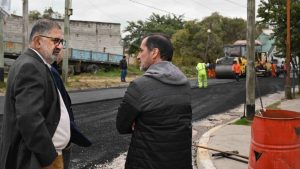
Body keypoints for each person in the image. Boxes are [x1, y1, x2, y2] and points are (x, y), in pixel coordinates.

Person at [116, 34, 192, 169]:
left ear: (155, 53)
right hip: (180, 162)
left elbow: (121, 126)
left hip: (146, 162)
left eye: (141, 50)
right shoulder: (185, 83)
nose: (138, 56)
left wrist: (138, 123)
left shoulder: (139, 86)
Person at [1, 19, 68, 169]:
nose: (60, 46)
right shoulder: (30, 66)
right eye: (56, 41)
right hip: (35, 159)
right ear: (38, 41)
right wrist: (47, 158)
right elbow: (29, 118)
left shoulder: (37, 64)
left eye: (62, 41)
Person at [51, 54, 92, 169]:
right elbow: (61, 107)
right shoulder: (51, 72)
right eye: (58, 44)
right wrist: (72, 134)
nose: (63, 52)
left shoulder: (50, 68)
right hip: (58, 139)